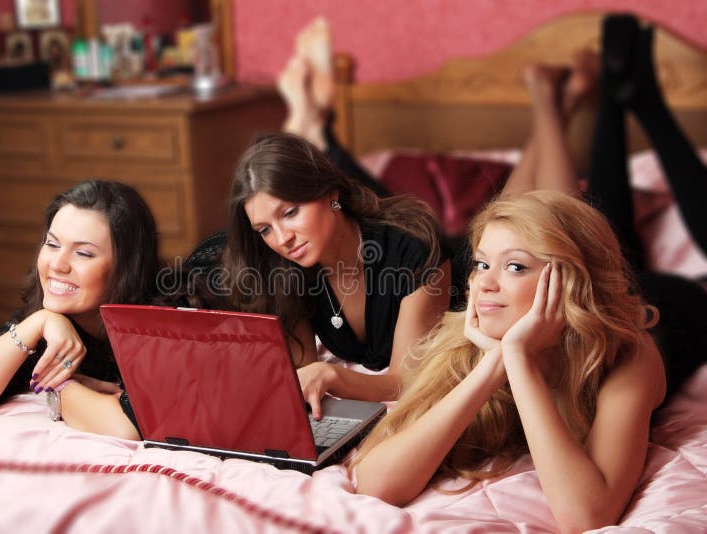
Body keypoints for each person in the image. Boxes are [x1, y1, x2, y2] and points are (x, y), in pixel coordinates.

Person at [351, 190, 666, 533]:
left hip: (675, 310)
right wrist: (496, 362)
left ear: (571, 282)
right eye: (482, 264)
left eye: (515, 267)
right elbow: (375, 484)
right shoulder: (464, 342)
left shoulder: (629, 353)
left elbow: (587, 517)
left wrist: (518, 358)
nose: (483, 284)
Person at [501, 13, 707, 396]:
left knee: (574, 241)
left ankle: (623, 96)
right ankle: (629, 98)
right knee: (587, 245)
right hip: (654, 303)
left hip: (638, 303)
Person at [224, 133, 451, 418]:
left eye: (290, 212)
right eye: (265, 230)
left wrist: (332, 376)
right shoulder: (288, 270)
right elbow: (304, 374)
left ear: (330, 192)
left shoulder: (412, 249)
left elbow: (406, 382)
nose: (283, 239)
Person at [0, 180, 162, 440]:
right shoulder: (48, 323)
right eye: (52, 245)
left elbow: (125, 428)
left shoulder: (162, 323)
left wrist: (58, 385)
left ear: (127, 267)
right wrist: (36, 323)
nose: (58, 265)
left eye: (84, 253)